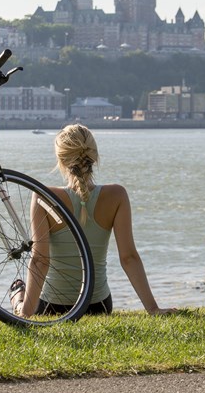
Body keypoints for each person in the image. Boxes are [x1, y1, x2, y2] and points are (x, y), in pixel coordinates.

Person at [11, 124, 176, 317]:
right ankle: (19, 296)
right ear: (94, 157)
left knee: (17, 293)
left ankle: (18, 299)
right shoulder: (117, 195)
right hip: (99, 306)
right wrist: (153, 309)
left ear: (61, 160)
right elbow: (128, 258)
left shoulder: (44, 196)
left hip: (52, 306)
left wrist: (26, 314)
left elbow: (40, 260)